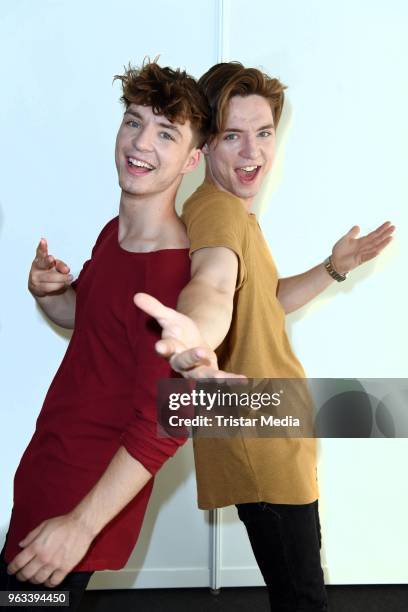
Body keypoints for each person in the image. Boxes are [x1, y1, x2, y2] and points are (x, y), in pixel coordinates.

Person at [134, 61, 395, 611]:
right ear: (205, 143)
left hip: (275, 423)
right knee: (303, 599)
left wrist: (333, 266)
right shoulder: (219, 216)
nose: (252, 153)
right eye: (233, 135)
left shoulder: (230, 210)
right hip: (259, 432)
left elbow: (263, 302)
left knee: (296, 592)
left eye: (264, 133)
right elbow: (213, 283)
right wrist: (195, 339)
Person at [0, 60, 211, 610]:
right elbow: (92, 325)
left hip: (77, 505)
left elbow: (171, 418)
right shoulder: (116, 234)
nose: (141, 142)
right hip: (49, 471)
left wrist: (79, 526)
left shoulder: (169, 274)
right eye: (133, 121)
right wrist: (52, 294)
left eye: (166, 133)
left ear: (192, 159)